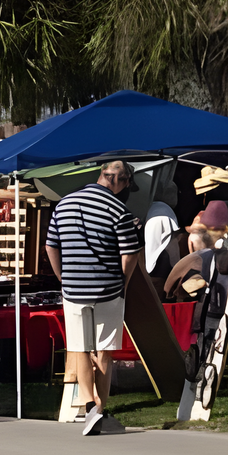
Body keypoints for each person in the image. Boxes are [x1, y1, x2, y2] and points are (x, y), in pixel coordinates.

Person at [43, 159, 142, 436]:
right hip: (108, 289)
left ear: (102, 174)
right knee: (104, 351)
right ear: (120, 181)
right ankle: (100, 409)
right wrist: (123, 281)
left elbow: (51, 246)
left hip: (74, 289)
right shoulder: (119, 210)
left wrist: (63, 277)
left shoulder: (63, 204)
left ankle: (89, 406)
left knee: (80, 348)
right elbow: (130, 253)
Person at [163, 225, 216, 301]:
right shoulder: (199, 260)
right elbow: (196, 282)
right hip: (176, 298)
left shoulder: (194, 258)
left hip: (171, 295)